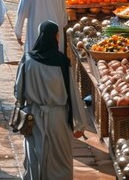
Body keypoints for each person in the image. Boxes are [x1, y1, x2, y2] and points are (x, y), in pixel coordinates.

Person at [15, 20, 88, 180]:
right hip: (59, 118)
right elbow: (73, 94)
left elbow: (18, 91)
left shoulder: (27, 60)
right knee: (60, 160)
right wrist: (80, 123)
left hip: (33, 116)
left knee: (35, 156)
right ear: (56, 37)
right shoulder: (62, 62)